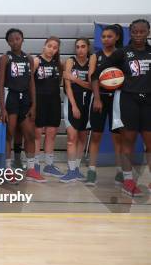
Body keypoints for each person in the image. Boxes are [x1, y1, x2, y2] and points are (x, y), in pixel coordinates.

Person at [92, 19, 151, 196]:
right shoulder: (122, 53)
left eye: (142, 32)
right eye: (135, 32)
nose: (139, 35)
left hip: (149, 101)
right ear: (130, 33)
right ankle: (128, 181)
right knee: (128, 142)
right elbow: (96, 75)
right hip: (128, 100)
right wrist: (97, 98)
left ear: (148, 32)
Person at [0, 28, 44, 183]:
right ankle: (8, 168)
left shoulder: (28, 59)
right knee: (9, 134)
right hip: (11, 97)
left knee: (29, 134)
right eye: (11, 39)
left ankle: (31, 169)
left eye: (17, 38)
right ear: (8, 42)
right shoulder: (5, 58)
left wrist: (34, 105)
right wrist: (2, 108)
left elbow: (31, 82)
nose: (15, 41)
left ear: (22, 39)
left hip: (25, 100)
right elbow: (0, 83)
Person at [85, 25, 123, 187]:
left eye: (109, 36)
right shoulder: (96, 56)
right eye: (103, 36)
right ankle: (92, 170)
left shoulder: (121, 55)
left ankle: (120, 171)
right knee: (96, 135)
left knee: (118, 136)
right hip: (99, 97)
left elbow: (126, 76)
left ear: (117, 38)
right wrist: (98, 98)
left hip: (117, 98)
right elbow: (92, 77)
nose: (106, 39)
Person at [60, 38, 91, 182]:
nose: (80, 49)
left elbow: (91, 86)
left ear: (88, 48)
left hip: (88, 102)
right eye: (77, 47)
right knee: (72, 138)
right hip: (73, 102)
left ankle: (77, 169)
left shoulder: (92, 61)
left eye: (83, 46)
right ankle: (71, 170)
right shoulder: (70, 61)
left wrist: (75, 79)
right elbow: (67, 86)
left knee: (83, 137)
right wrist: (74, 105)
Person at [33, 37, 63, 178]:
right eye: (49, 46)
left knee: (51, 133)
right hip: (39, 100)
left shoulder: (58, 64)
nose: (52, 49)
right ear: (44, 46)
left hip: (54, 101)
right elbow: (28, 82)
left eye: (55, 47)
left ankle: (49, 166)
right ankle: (36, 165)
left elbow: (59, 82)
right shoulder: (36, 61)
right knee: (37, 134)